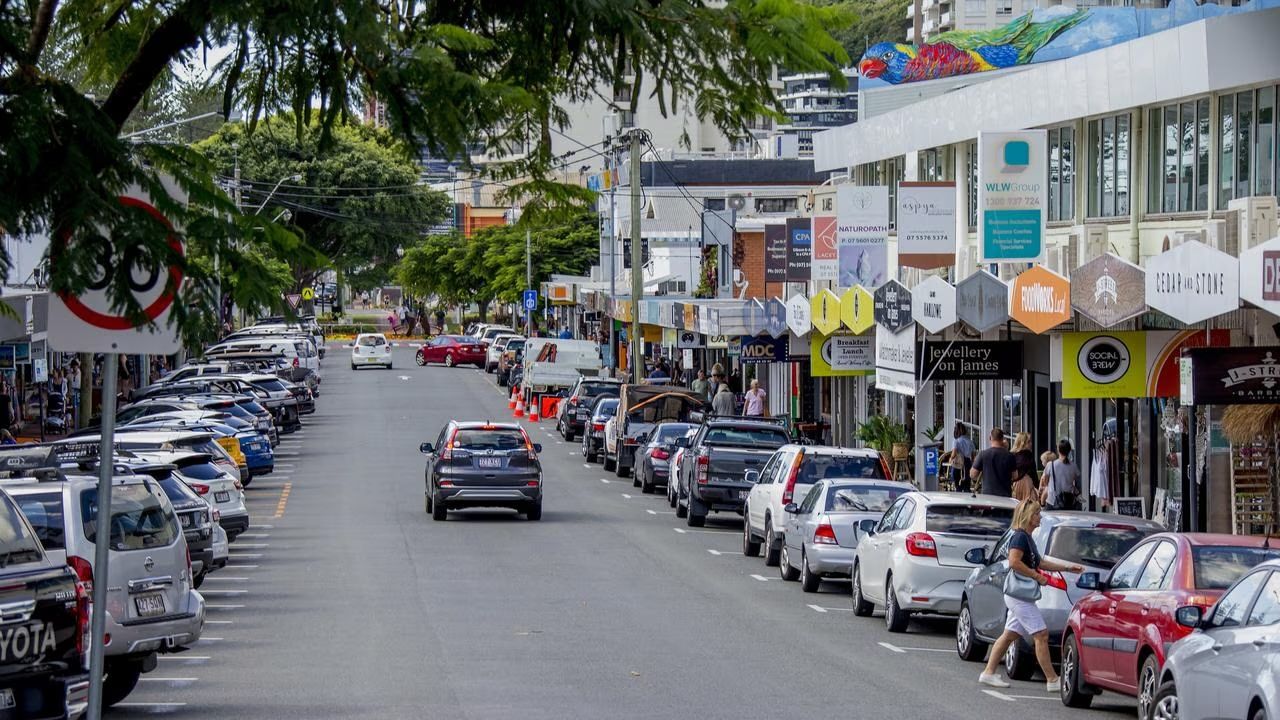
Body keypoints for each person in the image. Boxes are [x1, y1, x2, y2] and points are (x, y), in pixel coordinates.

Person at [979, 498, 1084, 692]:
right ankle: (1052, 679)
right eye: (1037, 514)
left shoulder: (1027, 537)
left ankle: (989, 672)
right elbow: (1014, 562)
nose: (1040, 517)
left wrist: (1068, 567)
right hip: (1018, 594)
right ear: (1028, 517)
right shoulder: (1019, 537)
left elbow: (1040, 562)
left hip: (1021, 595)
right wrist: (1036, 576)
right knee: (1041, 634)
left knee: (1010, 634)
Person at [971, 428, 1016, 497]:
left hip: (987, 495)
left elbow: (973, 475)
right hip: (1005, 496)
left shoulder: (983, 454)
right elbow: (1015, 476)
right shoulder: (1010, 456)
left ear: (990, 438)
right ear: (1002, 439)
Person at [1040, 439, 1081, 510]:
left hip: (1052, 500)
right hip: (1068, 501)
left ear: (1058, 450)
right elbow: (1075, 479)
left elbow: (1045, 481)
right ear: (1069, 450)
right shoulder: (1074, 466)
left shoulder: (1051, 465)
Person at [1011, 431, 1037, 501]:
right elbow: (1033, 473)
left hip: (1015, 485)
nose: (1031, 444)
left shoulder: (1012, 455)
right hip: (1026, 483)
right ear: (1023, 443)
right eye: (1028, 442)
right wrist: (1037, 486)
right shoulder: (1028, 455)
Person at [950, 423, 975, 492]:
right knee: (967, 482)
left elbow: (954, 453)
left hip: (958, 463)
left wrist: (951, 459)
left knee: (957, 482)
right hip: (968, 463)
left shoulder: (956, 441)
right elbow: (973, 455)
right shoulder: (970, 441)